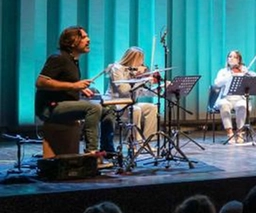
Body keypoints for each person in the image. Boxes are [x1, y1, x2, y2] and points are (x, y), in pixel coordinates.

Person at [34, 25, 113, 163]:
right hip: (49, 108)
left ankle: (108, 150)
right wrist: (74, 85)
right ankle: (91, 154)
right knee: (93, 108)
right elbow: (41, 82)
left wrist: (79, 89)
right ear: (71, 41)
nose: (88, 40)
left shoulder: (72, 61)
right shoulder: (58, 58)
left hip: (63, 104)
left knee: (109, 110)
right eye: (83, 37)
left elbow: (64, 82)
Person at [107, 46, 161, 144]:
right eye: (139, 60)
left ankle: (148, 141)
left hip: (130, 103)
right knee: (136, 110)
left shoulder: (136, 71)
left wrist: (156, 90)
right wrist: (139, 79)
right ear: (132, 59)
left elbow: (140, 91)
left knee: (152, 107)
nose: (141, 63)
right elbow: (123, 90)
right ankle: (135, 142)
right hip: (117, 103)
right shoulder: (117, 69)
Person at [212, 49, 256, 144]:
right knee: (223, 105)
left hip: (240, 98)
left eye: (234, 57)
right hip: (226, 98)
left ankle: (240, 133)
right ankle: (230, 132)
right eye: (230, 56)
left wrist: (245, 73)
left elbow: (254, 77)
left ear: (239, 60)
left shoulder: (243, 70)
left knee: (243, 106)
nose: (231, 59)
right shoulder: (223, 72)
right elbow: (217, 83)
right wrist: (230, 75)